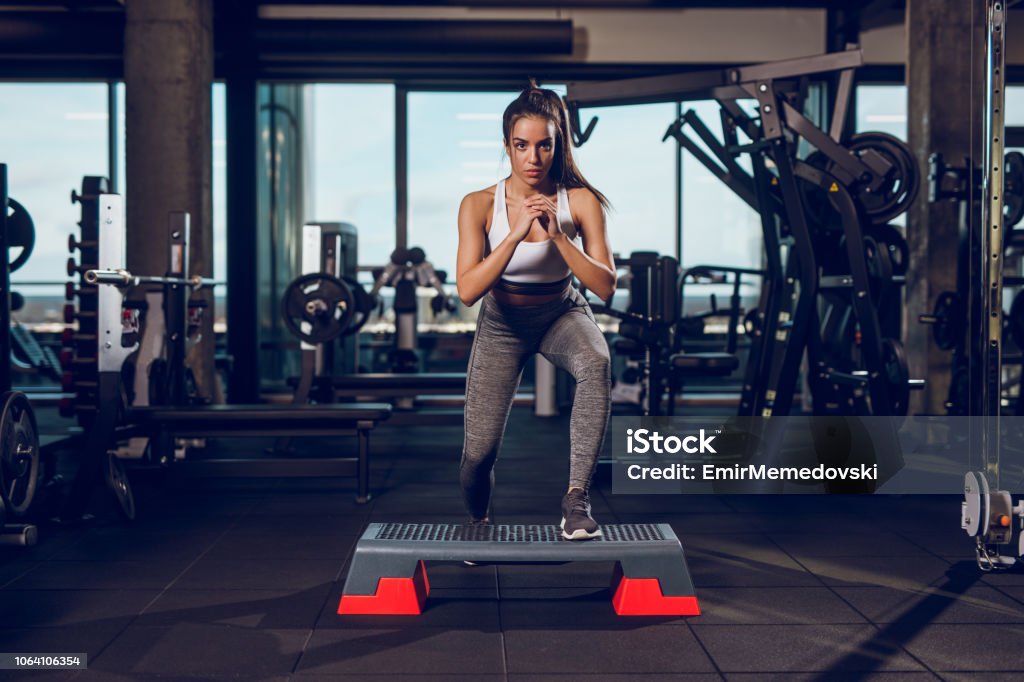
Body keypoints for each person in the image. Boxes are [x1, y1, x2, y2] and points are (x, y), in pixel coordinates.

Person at [455, 84, 616, 540]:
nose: (533, 157)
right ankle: (478, 518)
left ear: (557, 144)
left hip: (560, 312)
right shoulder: (479, 205)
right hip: (502, 324)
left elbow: (604, 285)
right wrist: (514, 234)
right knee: (478, 455)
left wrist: (559, 236)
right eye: (522, 145)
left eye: (544, 144)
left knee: (596, 361)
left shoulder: (580, 201)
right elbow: (468, 290)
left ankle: (575, 500)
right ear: (507, 146)